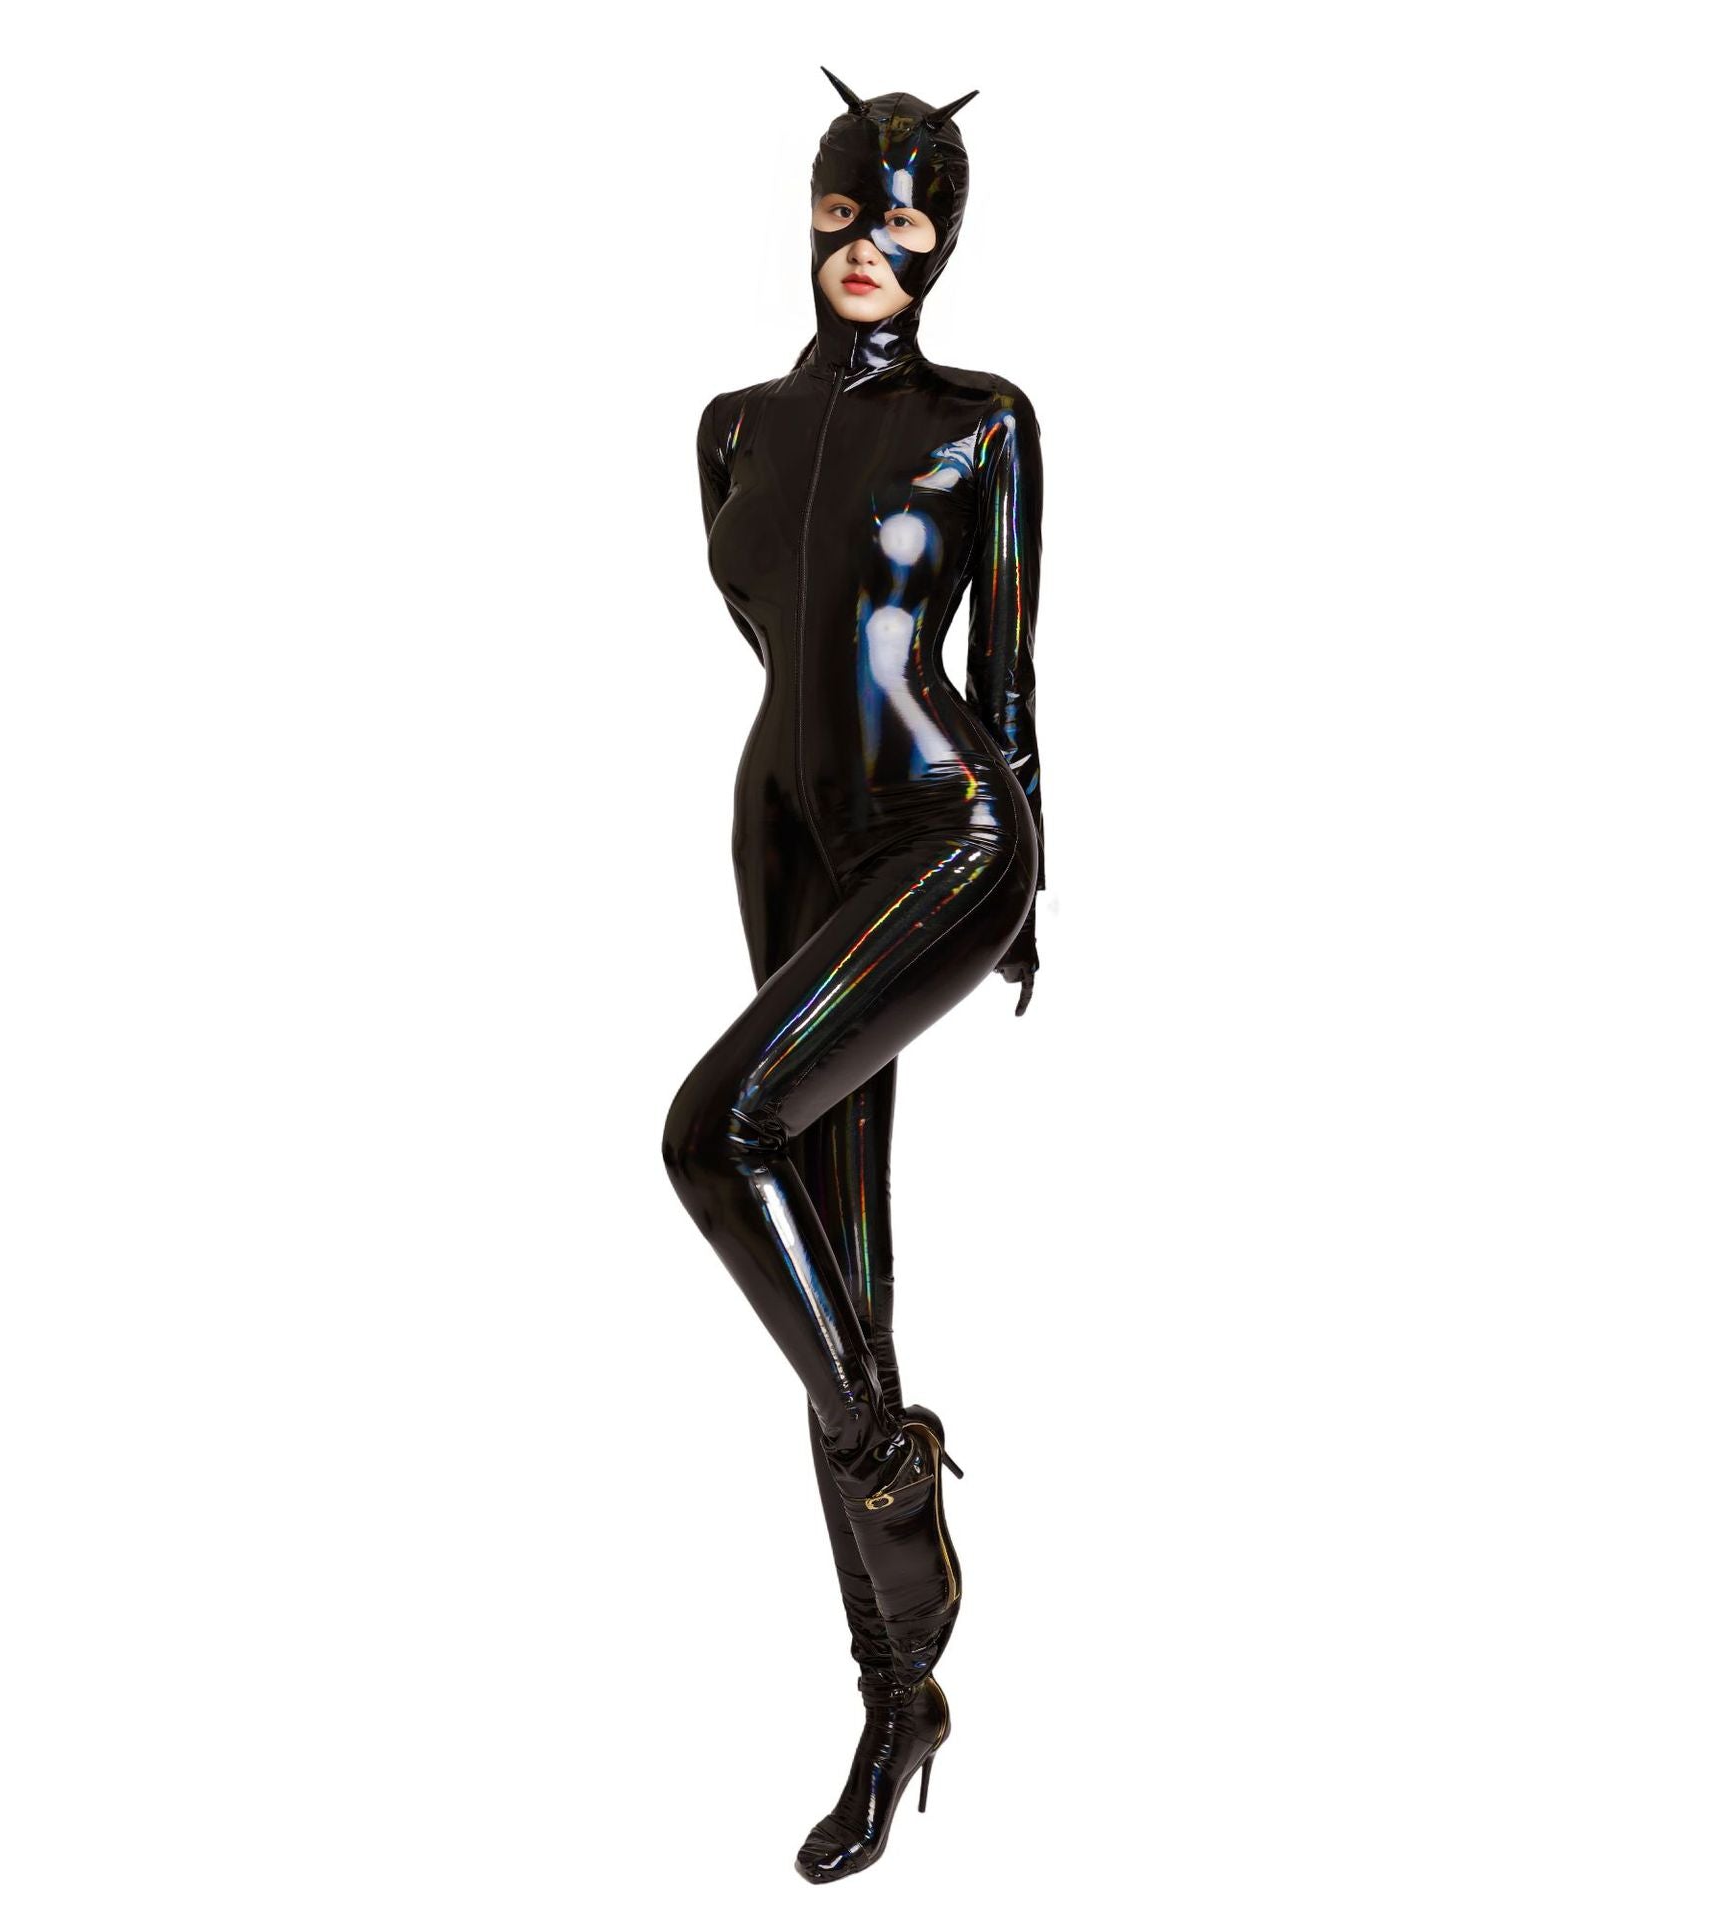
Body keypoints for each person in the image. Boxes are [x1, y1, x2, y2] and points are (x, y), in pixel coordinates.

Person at [661, 68, 1048, 1884]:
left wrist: (1029, 883)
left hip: (944, 831)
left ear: (946, 235)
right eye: (847, 208)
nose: (873, 245)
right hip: (785, 836)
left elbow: (1011, 673)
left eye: (908, 217)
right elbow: (774, 635)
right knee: (831, 1261)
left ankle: (898, 1467)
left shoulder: (987, 423)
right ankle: (901, 1697)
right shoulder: (729, 428)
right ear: (807, 209)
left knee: (712, 1135)